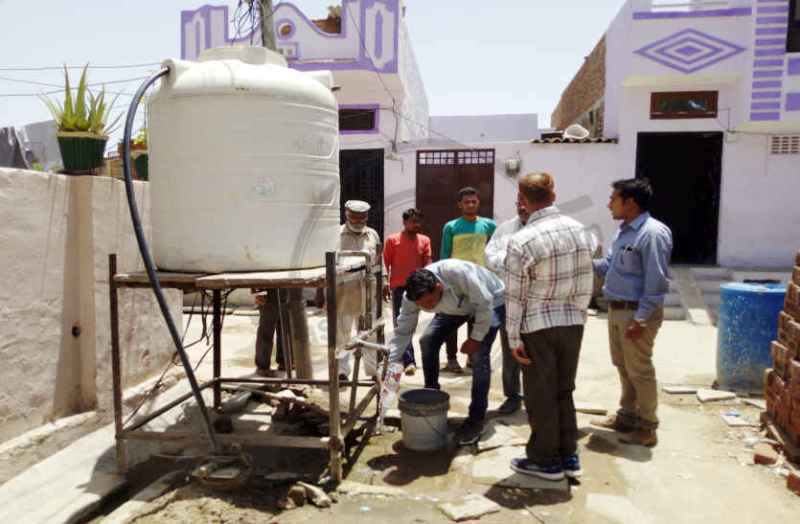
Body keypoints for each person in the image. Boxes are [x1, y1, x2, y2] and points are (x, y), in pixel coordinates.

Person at [505, 172, 595, 481]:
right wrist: (579, 315)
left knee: (540, 395)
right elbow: (588, 280)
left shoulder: (522, 240)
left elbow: (514, 295)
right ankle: (568, 455)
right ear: (553, 196)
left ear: (522, 200)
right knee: (564, 390)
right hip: (572, 323)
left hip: (537, 326)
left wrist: (513, 338)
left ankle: (546, 461)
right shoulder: (582, 231)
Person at [590, 178, 672, 448]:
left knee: (640, 369)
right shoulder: (624, 232)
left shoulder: (652, 233)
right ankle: (627, 415)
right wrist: (582, 260)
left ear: (631, 203)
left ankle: (648, 427)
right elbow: (609, 266)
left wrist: (641, 319)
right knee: (623, 366)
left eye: (613, 199)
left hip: (636, 312)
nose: (609, 204)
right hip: (617, 308)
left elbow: (656, 282)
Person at [388, 259, 505, 445]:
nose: (426, 308)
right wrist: (391, 365)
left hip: (490, 300)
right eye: (421, 305)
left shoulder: (458, 273)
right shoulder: (412, 296)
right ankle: (431, 395)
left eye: (429, 302)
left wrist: (475, 338)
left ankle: (476, 419)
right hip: (456, 307)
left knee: (478, 355)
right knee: (427, 340)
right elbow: (403, 331)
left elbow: (484, 303)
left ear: (438, 287)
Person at [439, 187, 497, 373]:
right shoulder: (451, 227)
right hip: (455, 281)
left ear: (478, 202)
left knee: (477, 320)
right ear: (460, 204)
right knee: (451, 321)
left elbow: (498, 246)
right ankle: (451, 359)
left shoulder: (489, 225)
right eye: (467, 202)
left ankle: (473, 358)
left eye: (474, 201)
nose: (471, 205)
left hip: (479, 280)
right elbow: (445, 254)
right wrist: (443, 280)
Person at [484, 198, 530, 415]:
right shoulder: (505, 228)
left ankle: (537, 396)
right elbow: (489, 255)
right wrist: (509, 262)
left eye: (526, 202)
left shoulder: (545, 228)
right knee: (511, 349)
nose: (522, 207)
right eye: (519, 203)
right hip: (508, 299)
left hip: (537, 302)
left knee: (538, 350)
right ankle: (513, 396)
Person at [383, 208, 432, 376]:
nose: (416, 224)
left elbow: (428, 264)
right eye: (413, 221)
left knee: (413, 324)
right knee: (402, 324)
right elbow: (385, 263)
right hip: (399, 288)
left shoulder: (424, 240)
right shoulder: (392, 240)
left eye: (418, 221)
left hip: (418, 288)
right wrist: (385, 283)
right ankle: (408, 361)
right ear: (404, 222)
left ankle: (405, 358)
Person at [337, 200, 382, 382]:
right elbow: (327, 263)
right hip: (343, 292)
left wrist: (384, 281)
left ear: (367, 217)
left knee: (369, 333)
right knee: (342, 333)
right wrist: (321, 292)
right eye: (354, 217)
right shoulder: (336, 234)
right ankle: (341, 372)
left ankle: (372, 371)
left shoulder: (372, 235)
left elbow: (379, 261)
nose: (358, 221)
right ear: (347, 214)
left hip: (367, 292)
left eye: (362, 217)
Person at [254, 289, 285, 376]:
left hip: (285, 290)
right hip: (269, 292)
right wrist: (259, 293)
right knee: (266, 330)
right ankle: (262, 366)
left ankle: (284, 361)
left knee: (285, 329)